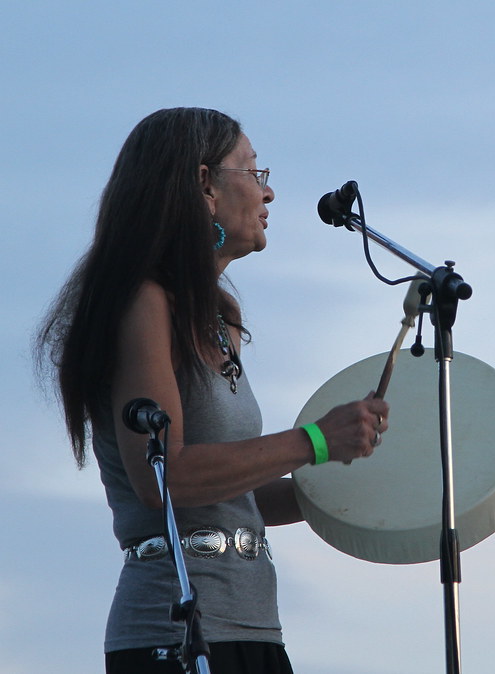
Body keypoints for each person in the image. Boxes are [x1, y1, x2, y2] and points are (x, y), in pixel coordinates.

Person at [36, 107, 390, 673]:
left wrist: (352, 493)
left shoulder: (221, 318)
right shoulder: (142, 303)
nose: (268, 192)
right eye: (254, 171)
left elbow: (230, 497)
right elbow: (164, 477)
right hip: (172, 635)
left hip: (256, 627)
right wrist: (315, 441)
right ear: (204, 184)